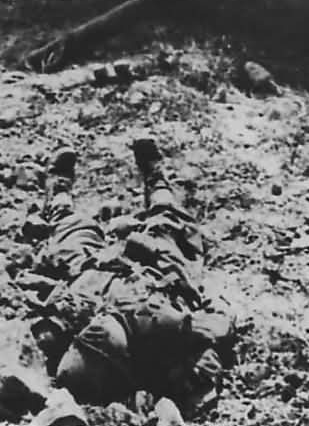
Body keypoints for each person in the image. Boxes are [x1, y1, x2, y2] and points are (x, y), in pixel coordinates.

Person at [20, 138, 235, 420]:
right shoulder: (165, 331)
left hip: (90, 267)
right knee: (167, 220)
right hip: (157, 268)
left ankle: (58, 188)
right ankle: (157, 179)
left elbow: (22, 341)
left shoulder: (69, 322)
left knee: (67, 228)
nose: (96, 322)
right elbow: (220, 321)